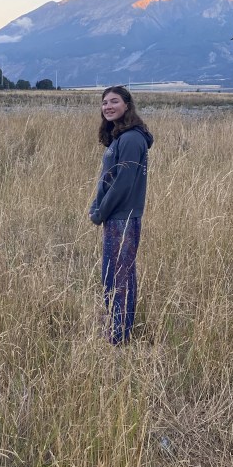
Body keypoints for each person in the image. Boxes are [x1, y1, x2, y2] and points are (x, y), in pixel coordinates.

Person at [89, 86, 153, 344]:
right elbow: (109, 179)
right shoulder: (121, 137)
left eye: (114, 101)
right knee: (115, 274)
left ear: (127, 105)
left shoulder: (131, 139)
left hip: (122, 218)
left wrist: (100, 212)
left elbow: (122, 184)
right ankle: (117, 327)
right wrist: (97, 205)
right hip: (115, 217)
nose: (108, 106)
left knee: (118, 277)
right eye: (104, 102)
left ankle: (119, 336)